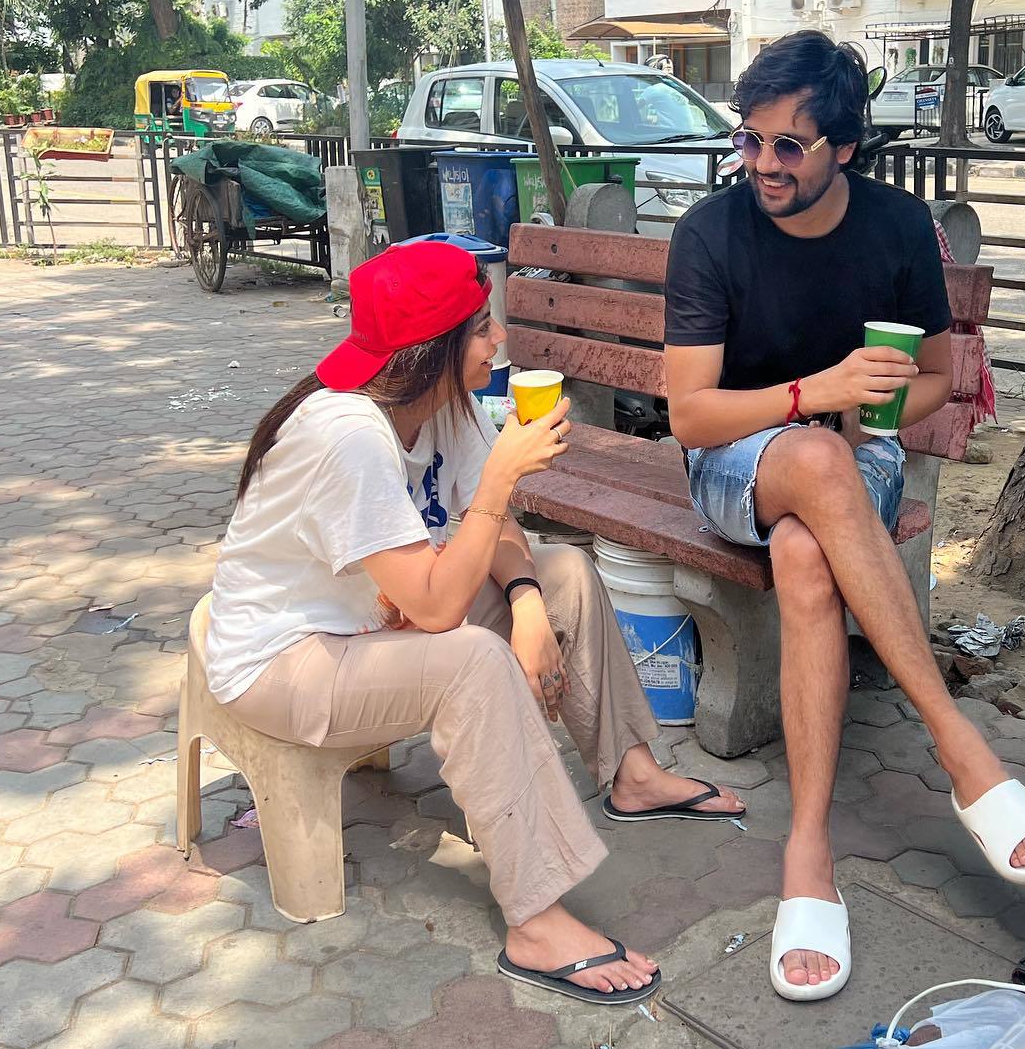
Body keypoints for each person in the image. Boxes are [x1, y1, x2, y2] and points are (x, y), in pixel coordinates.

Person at [205, 240, 742, 1007]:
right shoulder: (348, 435)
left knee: (563, 573)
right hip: (284, 662)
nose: (500, 340)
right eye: (483, 327)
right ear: (432, 349)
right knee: (471, 662)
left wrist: (525, 603)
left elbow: (498, 533)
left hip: (375, 622)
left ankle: (632, 774)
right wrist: (499, 480)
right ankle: (535, 919)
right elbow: (437, 608)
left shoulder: (440, 407)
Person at [664, 32, 1025, 1003]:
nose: (762, 163)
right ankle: (958, 746)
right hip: (732, 461)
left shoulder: (895, 228)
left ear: (843, 147)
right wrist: (814, 397)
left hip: (861, 458)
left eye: (789, 145)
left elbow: (936, 377)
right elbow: (690, 415)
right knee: (813, 459)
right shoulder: (711, 233)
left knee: (808, 555)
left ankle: (807, 853)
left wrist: (876, 408)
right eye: (750, 139)